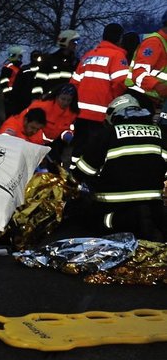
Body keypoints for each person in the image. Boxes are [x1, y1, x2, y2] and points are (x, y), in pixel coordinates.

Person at [70, 94, 167, 242]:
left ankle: (129, 220)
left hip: (114, 203)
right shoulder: (160, 132)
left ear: (114, 115)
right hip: (153, 200)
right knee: (156, 214)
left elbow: (84, 170)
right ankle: (155, 219)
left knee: (90, 219)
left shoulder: (109, 133)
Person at [70, 23, 129, 161]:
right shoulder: (117, 56)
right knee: (96, 151)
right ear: (120, 39)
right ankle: (90, 179)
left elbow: (74, 84)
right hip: (101, 115)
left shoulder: (88, 56)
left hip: (80, 113)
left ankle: (72, 177)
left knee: (79, 148)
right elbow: (120, 83)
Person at [26, 83, 80, 168]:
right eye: (63, 99)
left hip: (53, 143)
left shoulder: (72, 112)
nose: (65, 102)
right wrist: (39, 142)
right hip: (34, 142)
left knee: (56, 166)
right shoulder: (42, 106)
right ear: (57, 96)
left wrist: (67, 133)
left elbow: (70, 126)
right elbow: (28, 125)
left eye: (69, 100)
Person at [125, 9, 167, 114]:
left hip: (152, 101)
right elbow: (138, 73)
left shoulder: (163, 43)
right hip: (139, 100)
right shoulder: (154, 42)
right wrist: (158, 86)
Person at [33, 29, 80, 100]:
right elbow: (39, 81)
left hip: (67, 102)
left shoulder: (75, 62)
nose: (76, 44)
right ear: (66, 41)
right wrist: (36, 98)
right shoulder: (49, 60)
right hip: (49, 99)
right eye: (74, 41)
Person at [8, 49, 44, 117]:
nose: (37, 58)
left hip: (39, 98)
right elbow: (17, 85)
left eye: (39, 56)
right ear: (31, 57)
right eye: (35, 56)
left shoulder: (44, 69)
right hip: (25, 99)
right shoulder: (25, 69)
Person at [0, 45, 24, 117]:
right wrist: (7, 96)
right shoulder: (8, 68)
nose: (21, 58)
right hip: (11, 98)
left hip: (17, 97)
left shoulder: (18, 68)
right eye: (20, 56)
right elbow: (3, 83)